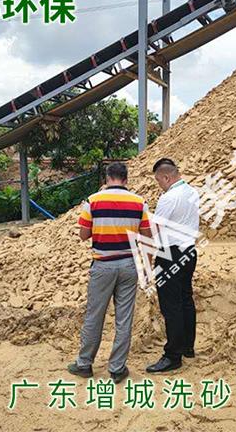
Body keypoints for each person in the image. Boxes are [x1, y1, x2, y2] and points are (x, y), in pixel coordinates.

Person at [68, 162, 151, 384]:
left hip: (103, 265)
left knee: (94, 316)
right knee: (124, 318)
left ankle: (84, 364)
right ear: (126, 179)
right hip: (129, 265)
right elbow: (146, 236)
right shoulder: (139, 202)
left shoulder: (93, 201)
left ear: (106, 179)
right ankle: (117, 368)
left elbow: (83, 235)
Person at [146, 158, 200, 373]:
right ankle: (188, 346)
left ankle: (172, 356)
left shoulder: (169, 198)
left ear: (167, 177)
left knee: (171, 305)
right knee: (186, 298)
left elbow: (155, 230)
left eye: (159, 181)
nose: (159, 185)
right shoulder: (192, 192)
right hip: (189, 251)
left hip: (170, 254)